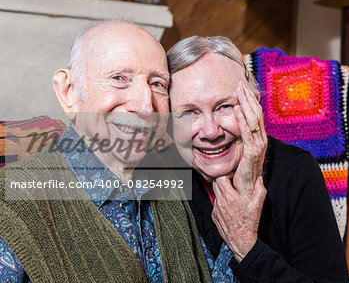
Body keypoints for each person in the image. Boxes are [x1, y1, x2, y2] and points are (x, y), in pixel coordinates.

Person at [0, 22, 211, 283]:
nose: (146, 106)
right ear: (69, 91)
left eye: (157, 83)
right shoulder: (11, 205)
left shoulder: (169, 179)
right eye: (119, 78)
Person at [167, 36, 349, 282]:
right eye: (189, 112)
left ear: (254, 102)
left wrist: (247, 246)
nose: (211, 132)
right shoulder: (162, 175)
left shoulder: (296, 171)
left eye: (224, 106)